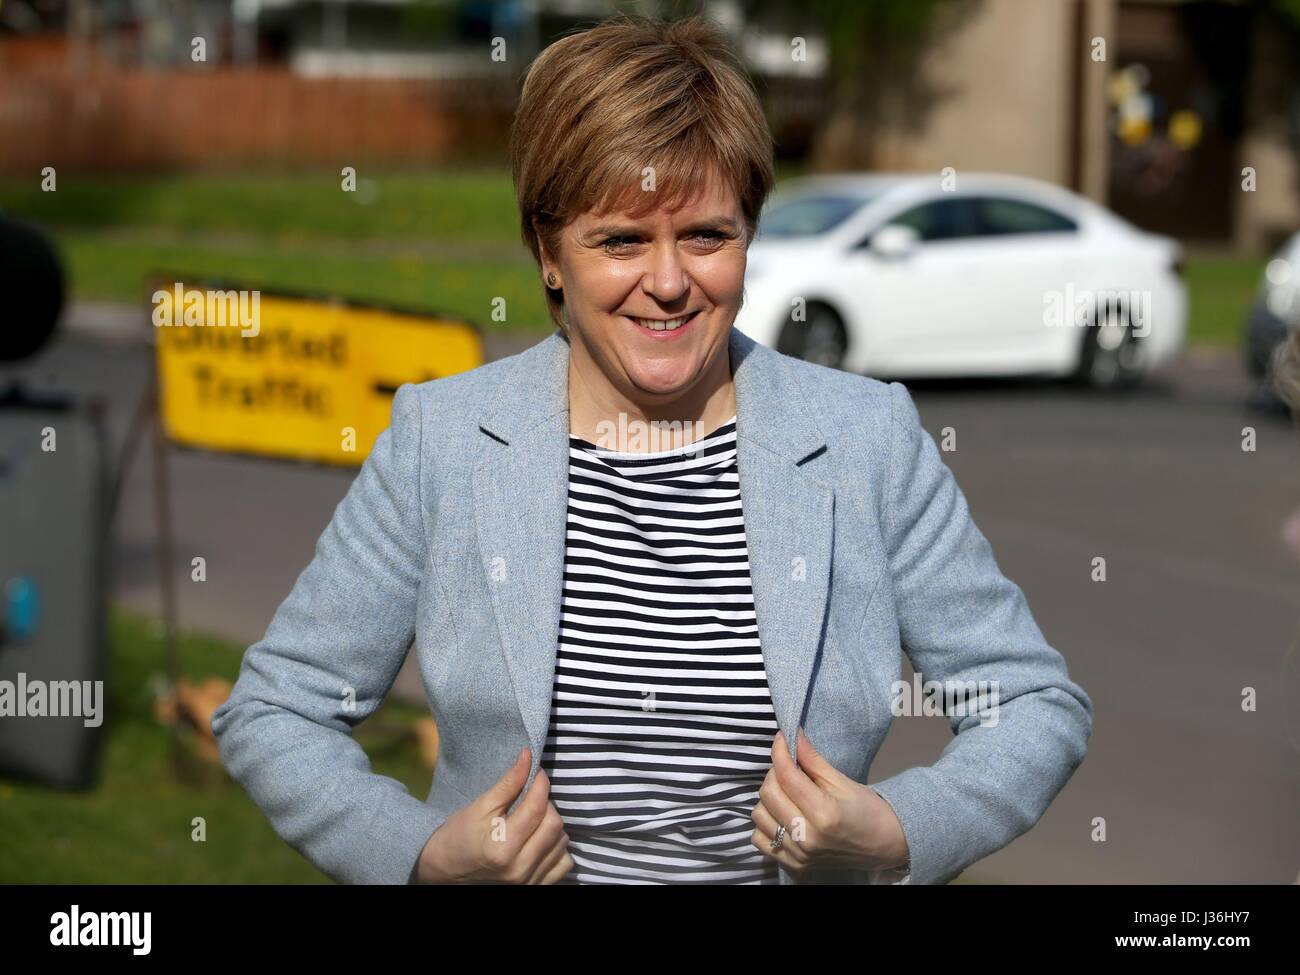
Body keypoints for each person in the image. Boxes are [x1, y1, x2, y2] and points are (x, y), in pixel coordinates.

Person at [211, 12, 1093, 885]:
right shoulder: (441, 439)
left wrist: (898, 830)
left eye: (707, 235)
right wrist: (420, 856)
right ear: (548, 252)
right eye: (621, 239)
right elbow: (278, 708)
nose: (669, 283)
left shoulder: (866, 438)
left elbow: (1032, 704)